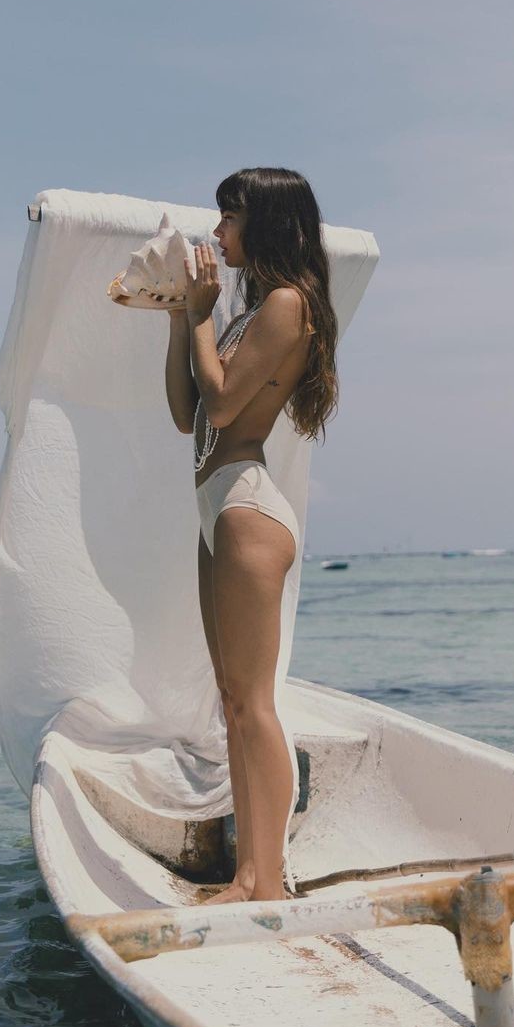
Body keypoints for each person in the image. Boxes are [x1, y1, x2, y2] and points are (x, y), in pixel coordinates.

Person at [164, 168, 339, 903]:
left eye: (229, 218)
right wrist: (183, 317)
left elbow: (225, 406)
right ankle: (247, 874)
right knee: (232, 701)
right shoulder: (247, 313)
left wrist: (204, 317)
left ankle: (271, 882)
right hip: (217, 508)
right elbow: (186, 412)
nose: (217, 233)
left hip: (246, 510)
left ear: (265, 223)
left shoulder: (288, 304)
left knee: (256, 705)